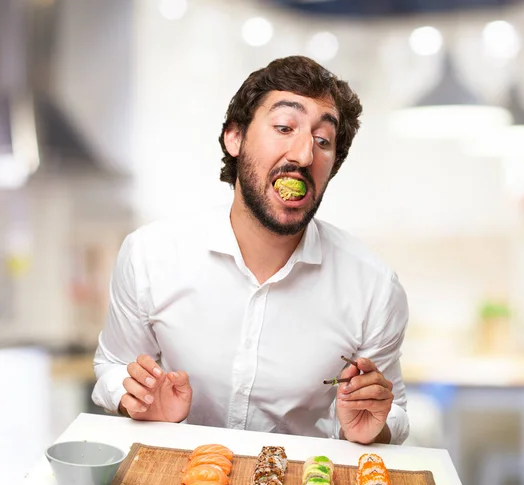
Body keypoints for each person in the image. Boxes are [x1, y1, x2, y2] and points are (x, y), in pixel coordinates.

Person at [92, 55, 409, 445]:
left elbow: (392, 411)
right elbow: (112, 366)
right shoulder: (149, 255)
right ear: (235, 138)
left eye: (323, 141)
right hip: (175, 482)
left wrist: (371, 426)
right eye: (284, 127)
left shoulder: (374, 288)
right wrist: (138, 401)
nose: (304, 154)